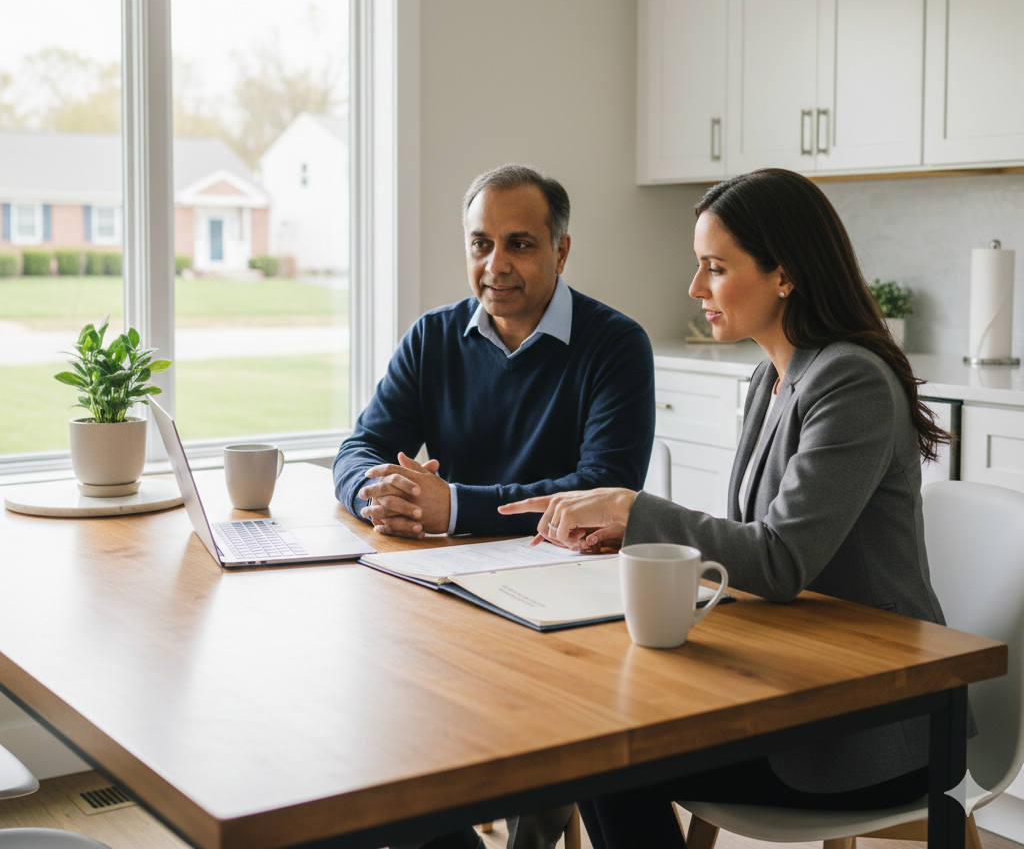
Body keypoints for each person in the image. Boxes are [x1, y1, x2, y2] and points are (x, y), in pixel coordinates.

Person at [500, 168, 961, 849]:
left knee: (608, 757)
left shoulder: (850, 380)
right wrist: (632, 536)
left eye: (715, 268)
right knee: (596, 736)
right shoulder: (770, 376)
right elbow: (749, 540)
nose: (695, 289)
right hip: (800, 673)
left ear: (785, 274)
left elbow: (778, 562)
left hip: (872, 720)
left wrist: (635, 507)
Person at [333, 163, 656, 849]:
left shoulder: (615, 345)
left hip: (568, 610)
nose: (496, 265)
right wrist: (380, 493)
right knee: (370, 739)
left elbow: (603, 486)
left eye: (520, 244)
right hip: (448, 600)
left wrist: (451, 507)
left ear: (561, 250)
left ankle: (532, 813)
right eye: (480, 244)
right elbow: (361, 446)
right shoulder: (432, 337)